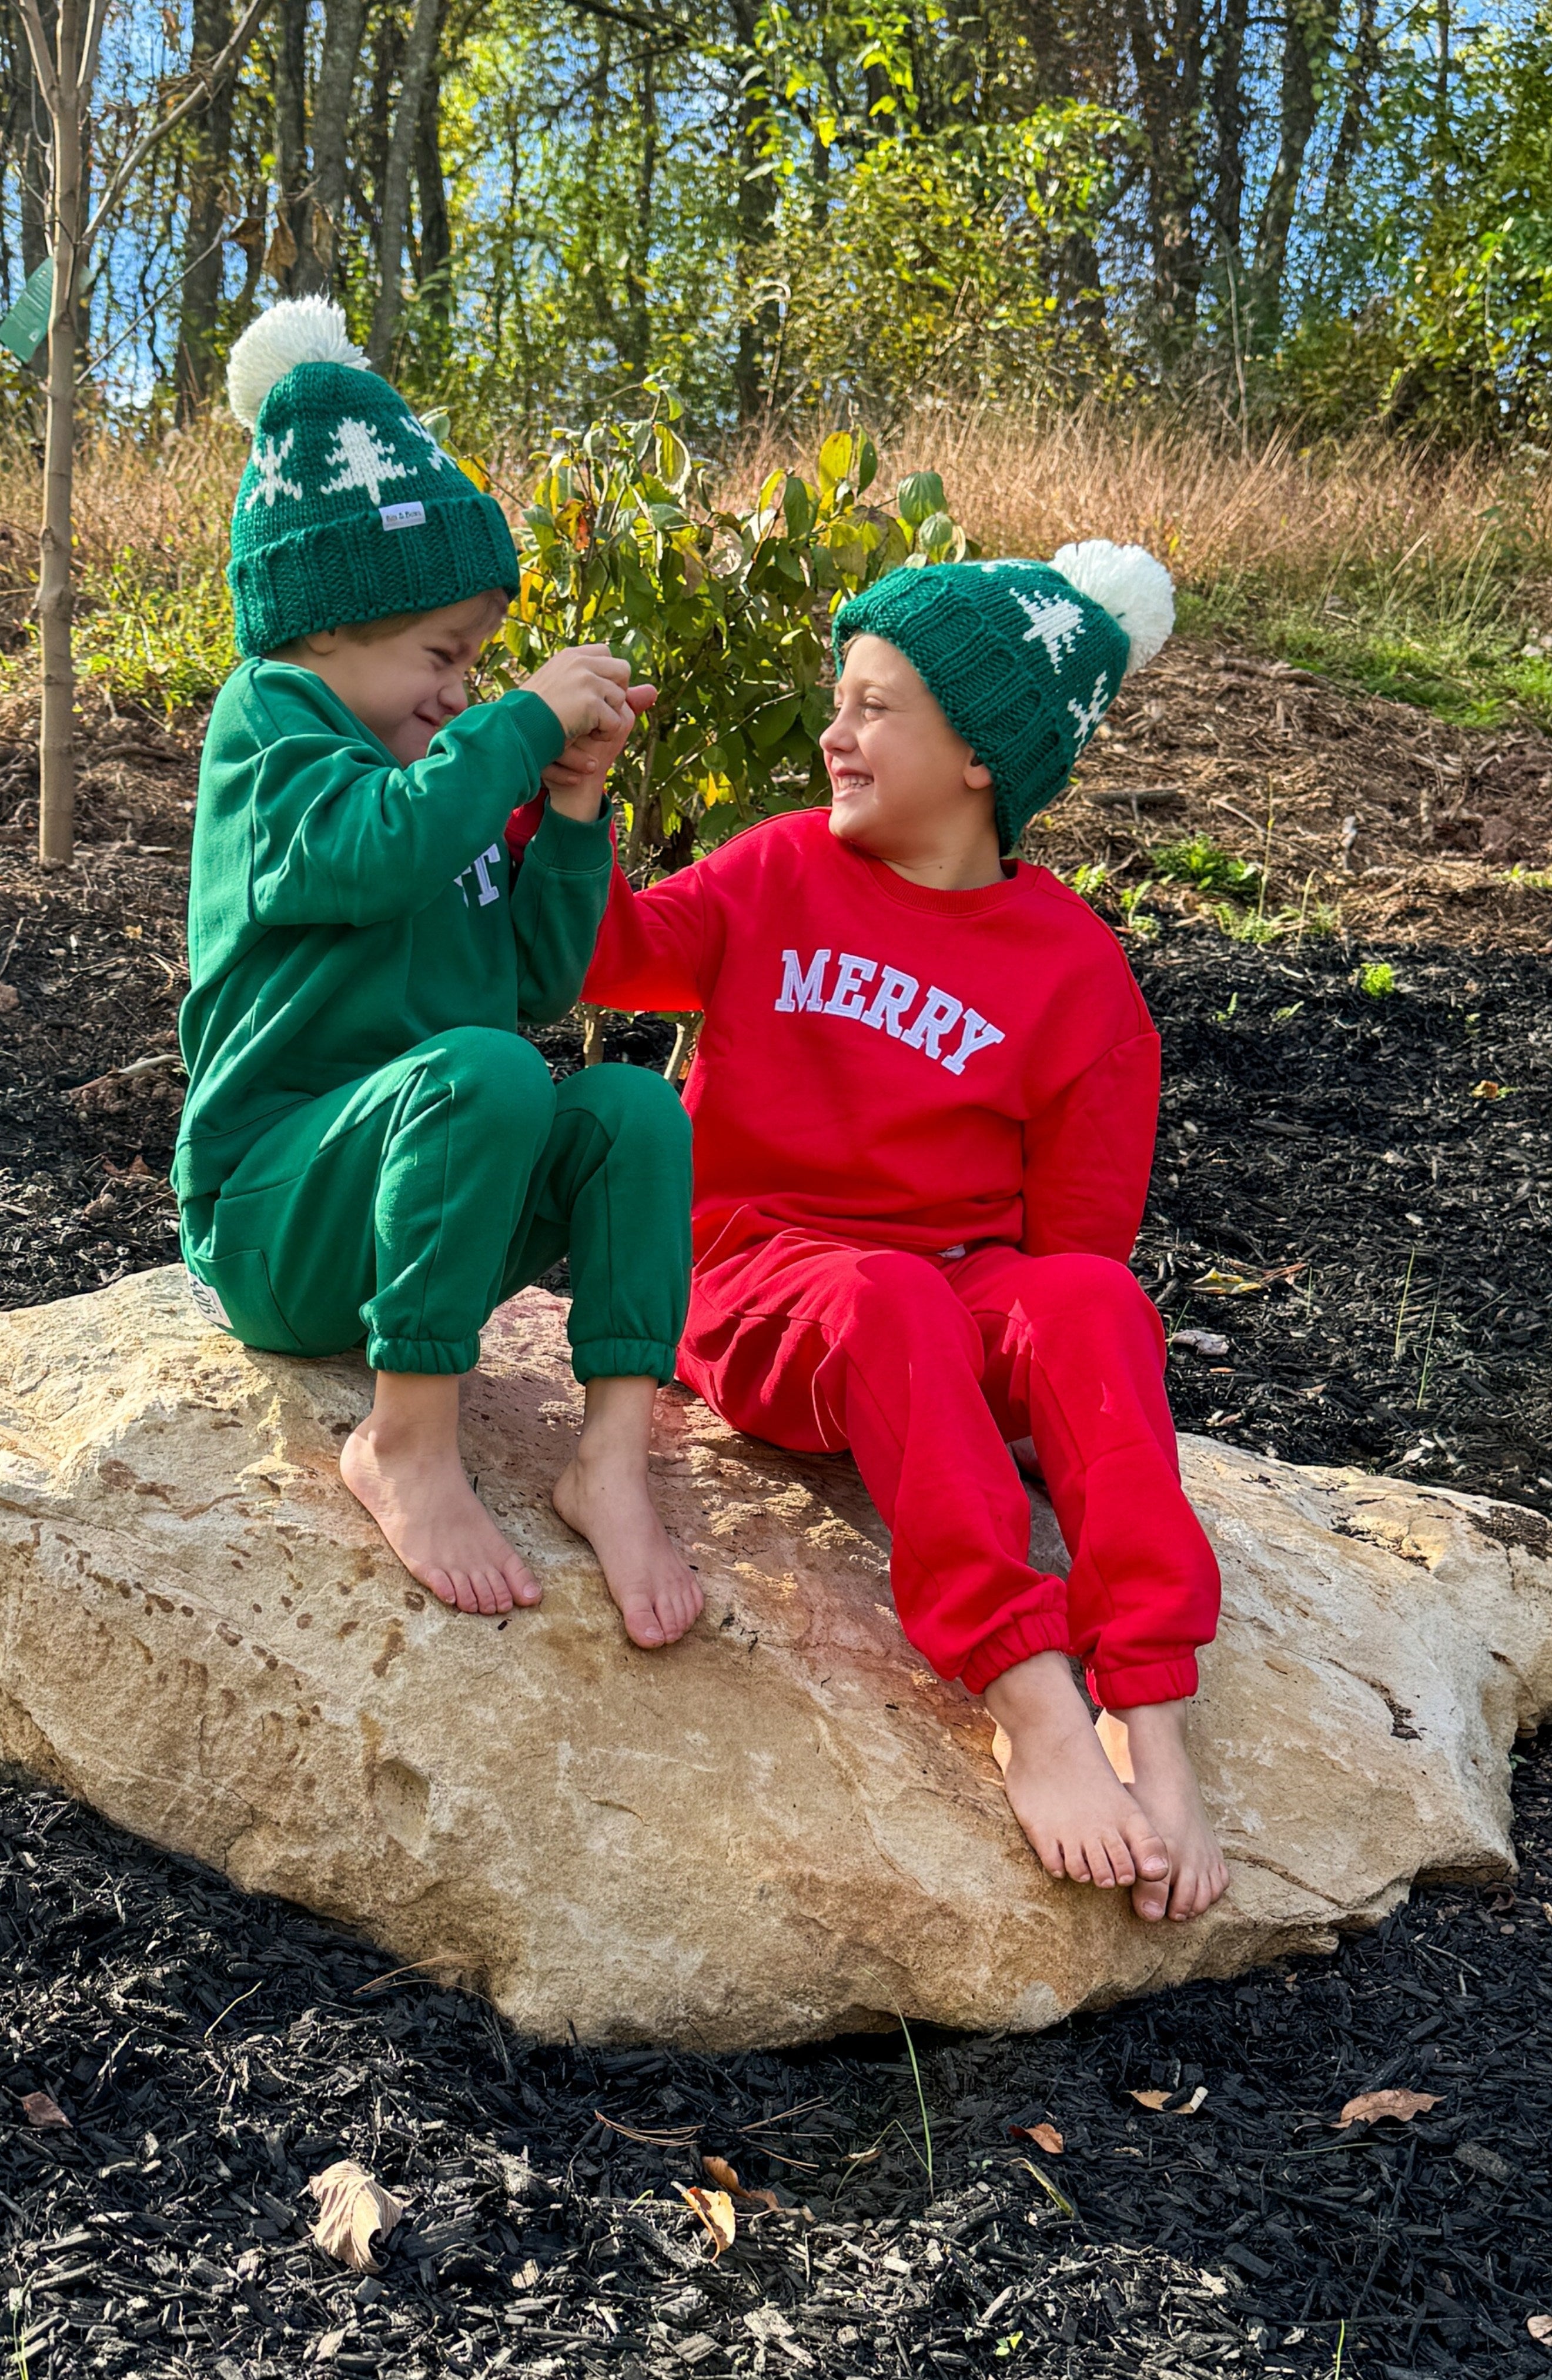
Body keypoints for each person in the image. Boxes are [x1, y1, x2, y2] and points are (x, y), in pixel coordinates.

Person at [537, 543, 1227, 1920]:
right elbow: (603, 957)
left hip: (946, 1297)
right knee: (892, 1297)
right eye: (838, 703)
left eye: (872, 707)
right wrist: (571, 804)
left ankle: (1152, 1720)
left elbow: (1077, 1252)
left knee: (1096, 1307)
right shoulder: (779, 870)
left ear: (982, 757)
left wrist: (1044, 1412)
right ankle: (1031, 1698)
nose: (835, 739)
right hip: (763, 1285)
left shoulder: (1076, 971)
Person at [174, 297, 701, 1652]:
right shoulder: (270, 731)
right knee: (480, 1074)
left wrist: (572, 808)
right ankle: (406, 1443)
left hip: (423, 1203)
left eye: (476, 664)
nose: (465, 691)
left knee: (631, 1109)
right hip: (277, 1219)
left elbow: (535, 981)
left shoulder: (439, 776)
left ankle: (612, 1461)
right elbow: (366, 857)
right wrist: (522, 727)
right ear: (326, 629)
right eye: (443, 656)